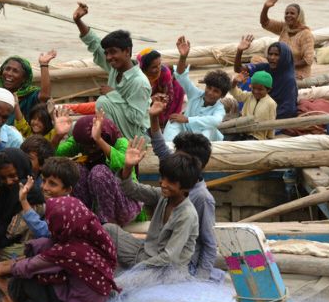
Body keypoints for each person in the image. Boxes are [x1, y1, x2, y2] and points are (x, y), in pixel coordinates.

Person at [0, 196, 119, 302]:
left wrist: (5, 268)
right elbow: (46, 253)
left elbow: (31, 266)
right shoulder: (91, 234)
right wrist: (15, 262)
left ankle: (12, 294)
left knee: (28, 277)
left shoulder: (70, 252)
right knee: (43, 244)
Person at [133, 105, 222, 281]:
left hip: (180, 263)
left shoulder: (203, 198)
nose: (173, 158)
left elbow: (209, 244)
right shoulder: (176, 171)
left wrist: (201, 282)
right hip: (160, 251)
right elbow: (160, 147)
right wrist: (153, 118)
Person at [104, 151, 201, 273]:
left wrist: (136, 269)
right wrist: (128, 167)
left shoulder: (187, 215)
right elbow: (131, 189)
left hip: (165, 270)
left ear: (185, 187)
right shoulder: (161, 195)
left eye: (170, 181)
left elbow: (168, 257)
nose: (163, 184)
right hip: (145, 253)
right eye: (162, 178)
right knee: (108, 229)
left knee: (120, 285)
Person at [72, 2, 151, 139]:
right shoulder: (116, 67)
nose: (108, 57)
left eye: (113, 52)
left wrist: (113, 95)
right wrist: (78, 21)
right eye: (107, 53)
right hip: (118, 125)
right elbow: (95, 44)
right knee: (75, 129)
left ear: (127, 51)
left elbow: (137, 118)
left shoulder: (139, 82)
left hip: (135, 135)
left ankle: (111, 141)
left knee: (103, 102)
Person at [52, 109, 143, 225]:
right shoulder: (80, 142)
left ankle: (107, 224)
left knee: (98, 172)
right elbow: (54, 155)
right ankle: (85, 219)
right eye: (87, 146)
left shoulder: (120, 143)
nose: (90, 149)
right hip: (95, 208)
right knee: (77, 169)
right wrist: (58, 136)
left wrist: (99, 140)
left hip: (124, 206)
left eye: (94, 145)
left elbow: (124, 165)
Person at [0, 27, 56, 125]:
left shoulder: (28, 95)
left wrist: (44, 65)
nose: (9, 74)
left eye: (15, 71)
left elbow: (45, 95)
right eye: (7, 69)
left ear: (24, 78)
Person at [0, 148, 45, 260]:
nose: (8, 182)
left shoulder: (31, 195)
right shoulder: (2, 188)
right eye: (2, 178)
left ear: (22, 169)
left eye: (13, 176)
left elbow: (10, 233)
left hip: (19, 251)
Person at [163, 36, 230, 142]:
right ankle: (168, 149)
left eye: (216, 91)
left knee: (208, 128)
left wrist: (187, 119)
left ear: (222, 95)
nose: (210, 93)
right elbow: (181, 76)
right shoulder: (195, 94)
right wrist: (183, 57)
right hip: (186, 132)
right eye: (209, 88)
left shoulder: (219, 108)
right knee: (174, 121)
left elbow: (216, 121)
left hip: (206, 139)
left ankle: (198, 155)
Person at [234, 36, 298, 119]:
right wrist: (240, 51)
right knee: (247, 80)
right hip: (257, 105)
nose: (272, 58)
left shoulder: (289, 80)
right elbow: (239, 69)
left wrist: (261, 117)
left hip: (272, 115)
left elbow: (288, 109)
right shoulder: (265, 67)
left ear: (284, 57)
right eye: (270, 54)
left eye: (276, 55)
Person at [19, 156, 81, 239]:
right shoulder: (54, 202)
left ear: (67, 190)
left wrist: (24, 201)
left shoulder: (65, 209)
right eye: (43, 181)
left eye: (52, 184)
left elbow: (44, 232)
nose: (44, 187)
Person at [259, 0, 315, 80]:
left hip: (297, 72)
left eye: (292, 13)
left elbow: (308, 60)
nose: (288, 15)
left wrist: (286, 66)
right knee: (256, 60)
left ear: (299, 16)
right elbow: (265, 23)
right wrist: (266, 7)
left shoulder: (306, 34)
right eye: (286, 13)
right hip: (280, 67)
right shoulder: (284, 27)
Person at [137, 48, 185, 128]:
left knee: (179, 86)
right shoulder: (138, 78)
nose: (158, 68)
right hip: (145, 103)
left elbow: (169, 95)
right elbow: (137, 101)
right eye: (154, 67)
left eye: (159, 64)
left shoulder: (164, 72)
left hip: (160, 101)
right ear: (144, 68)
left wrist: (163, 101)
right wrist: (151, 99)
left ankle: (163, 122)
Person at [229, 71, 277, 140]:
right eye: (253, 88)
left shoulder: (271, 103)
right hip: (242, 131)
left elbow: (272, 121)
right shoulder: (249, 96)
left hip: (258, 137)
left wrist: (270, 137)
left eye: (260, 89)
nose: (256, 91)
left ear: (268, 89)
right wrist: (234, 83)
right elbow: (237, 94)